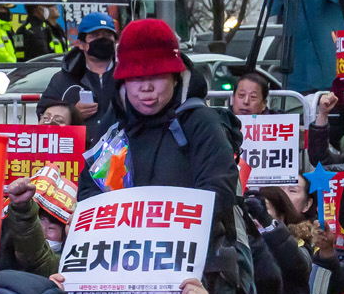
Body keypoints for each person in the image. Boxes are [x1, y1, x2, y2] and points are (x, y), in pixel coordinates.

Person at [77, 20, 240, 243]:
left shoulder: (201, 123)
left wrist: (162, 229)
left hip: (191, 252)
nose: (146, 88)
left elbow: (219, 192)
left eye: (157, 75)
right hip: (120, 252)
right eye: (135, 78)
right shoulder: (114, 127)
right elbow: (90, 188)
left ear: (175, 76)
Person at [42, 12, 116, 133]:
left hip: (123, 149)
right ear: (81, 44)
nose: (102, 39)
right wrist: (72, 114)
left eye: (107, 35)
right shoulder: (62, 79)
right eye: (95, 35)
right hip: (78, 148)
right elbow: (43, 113)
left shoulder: (128, 77)